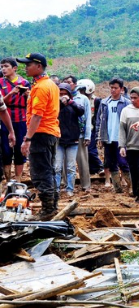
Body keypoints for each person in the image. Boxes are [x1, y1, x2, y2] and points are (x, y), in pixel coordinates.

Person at [17, 53, 57, 219]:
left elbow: (37, 115)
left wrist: (27, 138)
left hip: (40, 133)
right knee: (49, 171)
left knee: (41, 173)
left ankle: (48, 210)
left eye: (28, 64)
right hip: (50, 132)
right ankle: (52, 207)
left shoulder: (41, 87)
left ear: (38, 66)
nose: (25, 67)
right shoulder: (50, 84)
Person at [96, 78, 131, 193]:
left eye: (115, 88)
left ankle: (131, 186)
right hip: (108, 137)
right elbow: (99, 121)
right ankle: (118, 188)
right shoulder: (105, 102)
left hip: (121, 138)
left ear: (121, 89)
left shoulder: (126, 103)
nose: (113, 90)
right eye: (111, 87)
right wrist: (99, 137)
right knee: (111, 163)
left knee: (123, 162)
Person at [0, 58, 30, 182]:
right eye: (2, 67)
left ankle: (17, 181)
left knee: (19, 151)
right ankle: (8, 181)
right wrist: (12, 93)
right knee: (5, 151)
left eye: (6, 66)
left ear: (14, 68)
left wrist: (28, 95)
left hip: (21, 119)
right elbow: (1, 104)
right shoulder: (0, 82)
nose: (3, 69)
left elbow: (30, 104)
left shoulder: (25, 82)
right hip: (4, 119)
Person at [54, 83, 84, 198]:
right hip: (59, 140)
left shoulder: (74, 104)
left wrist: (70, 102)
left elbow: (81, 111)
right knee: (57, 166)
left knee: (71, 167)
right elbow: (54, 113)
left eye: (65, 94)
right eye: (60, 94)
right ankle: (56, 190)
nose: (62, 96)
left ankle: (70, 189)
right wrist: (61, 103)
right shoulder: (56, 105)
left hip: (73, 140)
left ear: (69, 94)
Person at [74, 80, 94, 193]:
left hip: (80, 134)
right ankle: (68, 185)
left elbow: (87, 118)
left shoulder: (83, 99)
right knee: (66, 163)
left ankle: (86, 185)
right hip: (66, 135)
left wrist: (87, 135)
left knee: (82, 161)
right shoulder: (60, 98)